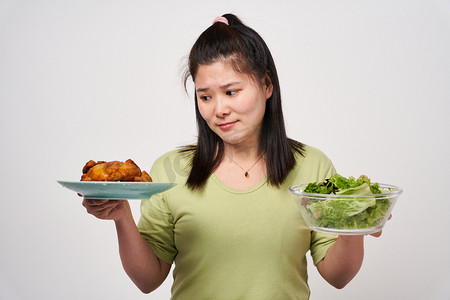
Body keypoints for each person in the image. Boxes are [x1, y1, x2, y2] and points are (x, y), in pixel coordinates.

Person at [83, 13, 383, 299]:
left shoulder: (312, 167)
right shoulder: (169, 170)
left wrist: (354, 223)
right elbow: (148, 280)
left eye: (231, 92)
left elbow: (338, 277)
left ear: (267, 85)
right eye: (205, 96)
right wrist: (121, 216)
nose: (219, 109)